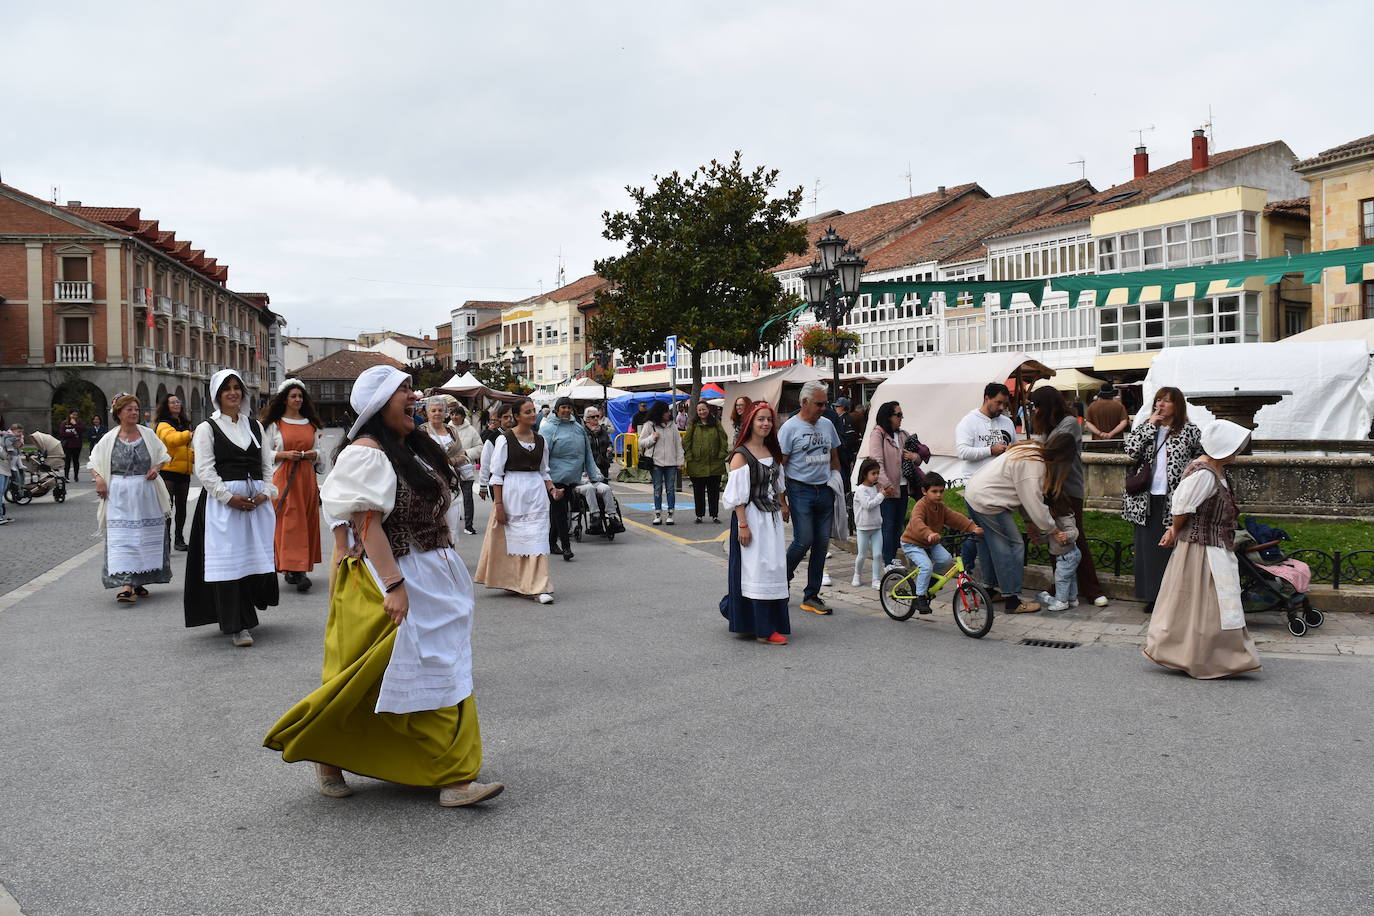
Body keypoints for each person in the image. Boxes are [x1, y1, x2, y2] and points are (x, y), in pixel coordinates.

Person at [264, 364, 504, 807]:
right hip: (393, 574)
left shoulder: (410, 447)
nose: (414, 398)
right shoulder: (367, 452)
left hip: (433, 573)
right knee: (392, 674)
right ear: (378, 403)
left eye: (413, 389)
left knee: (440, 669)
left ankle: (367, 757)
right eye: (405, 391)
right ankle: (450, 776)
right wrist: (394, 585)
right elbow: (365, 522)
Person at [1142, 420, 1261, 679]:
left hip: (1214, 546)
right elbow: (1182, 506)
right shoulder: (1204, 474)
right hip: (1201, 549)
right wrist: (1174, 530)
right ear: (1223, 447)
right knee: (1204, 605)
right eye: (1235, 446)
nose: (1239, 451)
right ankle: (1201, 656)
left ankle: (1216, 655)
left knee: (1212, 606)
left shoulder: (1216, 471)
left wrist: (1175, 530)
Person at [183, 370, 280, 648]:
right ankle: (237, 624)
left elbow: (266, 467)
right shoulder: (206, 428)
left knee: (250, 561)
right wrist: (228, 498)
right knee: (229, 564)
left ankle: (245, 612)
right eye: (227, 389)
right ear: (217, 395)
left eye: (237, 388)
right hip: (223, 507)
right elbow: (204, 470)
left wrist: (265, 493)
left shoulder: (254, 426)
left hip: (255, 504)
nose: (233, 393)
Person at [964, 436, 1078, 615]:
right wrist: (1053, 530)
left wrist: (1029, 523)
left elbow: (1022, 494)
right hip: (989, 500)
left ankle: (989, 590)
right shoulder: (1035, 464)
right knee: (1012, 546)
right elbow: (1034, 502)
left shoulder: (1031, 449)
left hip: (975, 493)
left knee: (988, 544)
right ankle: (1012, 600)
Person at [1123, 386, 1203, 614]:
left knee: (1169, 549)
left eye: (1167, 401)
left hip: (1175, 499)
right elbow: (1130, 451)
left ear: (1177, 405)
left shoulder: (1189, 430)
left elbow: (1200, 456)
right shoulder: (1146, 427)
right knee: (1148, 549)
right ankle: (1152, 595)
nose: (1161, 404)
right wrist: (1150, 426)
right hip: (1145, 499)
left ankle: (1173, 595)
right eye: (1158, 400)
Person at [719, 401, 791, 645]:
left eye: (768, 420)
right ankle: (763, 629)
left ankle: (748, 618)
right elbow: (737, 496)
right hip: (751, 517)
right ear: (750, 422)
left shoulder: (772, 451)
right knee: (756, 569)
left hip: (770, 520)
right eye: (760, 419)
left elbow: (778, 485)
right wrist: (743, 525)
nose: (765, 424)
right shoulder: (741, 455)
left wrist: (782, 503)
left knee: (773, 567)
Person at [88, 394, 173, 603]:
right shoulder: (109, 439)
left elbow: (163, 455)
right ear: (119, 414)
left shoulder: (147, 435)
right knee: (123, 538)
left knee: (143, 537)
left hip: (145, 493)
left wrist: (156, 468)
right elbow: (94, 462)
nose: (134, 412)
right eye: (129, 409)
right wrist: (99, 479)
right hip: (119, 494)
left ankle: (139, 580)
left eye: (136, 409)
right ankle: (127, 584)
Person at [1029, 386, 1107, 608]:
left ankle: (1093, 590)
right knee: (1056, 540)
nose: (1035, 411)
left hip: (1069, 490)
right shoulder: (1050, 425)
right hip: (1051, 490)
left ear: (1048, 405)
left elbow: (1051, 449)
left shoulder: (1069, 423)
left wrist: (1031, 448)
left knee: (1074, 537)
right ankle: (1061, 589)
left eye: (1037, 406)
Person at [475, 398, 559, 604]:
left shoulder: (541, 440)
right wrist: (499, 504)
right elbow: (497, 475)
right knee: (516, 540)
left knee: (538, 538)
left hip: (537, 494)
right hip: (514, 492)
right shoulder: (505, 440)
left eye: (533, 411)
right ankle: (517, 582)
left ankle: (539, 586)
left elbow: (544, 471)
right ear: (517, 416)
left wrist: (553, 490)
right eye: (528, 411)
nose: (532, 414)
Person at [779, 380, 841, 615]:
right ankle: (781, 581)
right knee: (803, 540)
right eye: (819, 404)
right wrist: (782, 501)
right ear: (804, 402)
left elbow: (834, 456)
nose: (823, 408)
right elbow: (780, 466)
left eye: (825, 403)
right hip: (800, 490)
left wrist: (836, 479)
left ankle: (811, 595)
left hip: (824, 490)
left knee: (821, 544)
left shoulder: (827, 425)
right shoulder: (789, 428)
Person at [261, 379, 324, 592]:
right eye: (293, 396)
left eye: (300, 396)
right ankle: (297, 571)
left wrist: (315, 455)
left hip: (306, 478)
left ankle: (294, 567)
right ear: (284, 399)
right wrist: (283, 454)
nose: (298, 399)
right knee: (290, 522)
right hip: (283, 478)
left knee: (305, 521)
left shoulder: (311, 424)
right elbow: (262, 453)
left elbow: (320, 452)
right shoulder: (274, 425)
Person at [954, 382, 1018, 576]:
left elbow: (1013, 446)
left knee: (991, 534)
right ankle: (966, 568)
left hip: (1001, 487)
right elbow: (962, 451)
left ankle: (990, 576)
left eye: (1004, 404)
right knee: (979, 531)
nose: (1001, 408)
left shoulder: (1006, 422)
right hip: (975, 487)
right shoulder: (969, 422)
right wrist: (989, 450)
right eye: (998, 403)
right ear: (986, 398)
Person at [900, 472, 982, 614]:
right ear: (924, 491)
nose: (938, 495)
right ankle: (919, 598)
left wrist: (972, 527)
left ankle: (930, 582)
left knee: (945, 559)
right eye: (934, 491)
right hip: (913, 542)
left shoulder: (940, 507)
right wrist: (929, 533)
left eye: (941, 491)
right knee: (925, 565)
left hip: (930, 542)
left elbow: (955, 518)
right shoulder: (921, 506)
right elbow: (917, 522)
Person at [540, 396, 604, 560]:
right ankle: (566, 547)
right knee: (561, 512)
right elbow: (542, 456)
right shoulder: (548, 429)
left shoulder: (578, 428)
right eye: (563, 407)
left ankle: (551, 542)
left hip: (572, 477)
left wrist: (593, 475)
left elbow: (587, 453)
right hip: (554, 478)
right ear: (557, 409)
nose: (566, 410)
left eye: (569, 407)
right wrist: (542, 477)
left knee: (558, 512)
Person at [420, 398, 477, 537]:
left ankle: (450, 552)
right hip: (429, 481)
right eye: (433, 410)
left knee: (451, 523)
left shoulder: (451, 431)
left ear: (445, 413)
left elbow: (460, 453)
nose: (437, 413)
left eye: (440, 410)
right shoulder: (421, 431)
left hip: (451, 481)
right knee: (433, 523)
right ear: (427, 413)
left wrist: (451, 461)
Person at [865, 401, 912, 567]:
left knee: (898, 524)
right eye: (898, 415)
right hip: (887, 489)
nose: (901, 418)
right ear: (888, 417)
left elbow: (919, 456)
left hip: (903, 486)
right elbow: (876, 462)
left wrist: (914, 457)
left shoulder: (903, 435)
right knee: (888, 524)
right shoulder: (878, 434)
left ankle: (892, 558)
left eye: (901, 415)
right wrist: (886, 485)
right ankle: (888, 561)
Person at [155, 393, 195, 552]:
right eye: (172, 402)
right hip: (167, 471)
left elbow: (184, 448)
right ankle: (166, 540)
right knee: (167, 508)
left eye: (178, 401)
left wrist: (192, 456)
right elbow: (172, 440)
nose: (177, 404)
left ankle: (179, 538)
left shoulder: (183, 423)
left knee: (182, 506)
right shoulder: (163, 424)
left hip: (183, 471)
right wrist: (191, 434)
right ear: (166, 406)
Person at [1035, 489, 1082, 612]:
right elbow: (1052, 537)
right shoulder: (1055, 520)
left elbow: (1075, 532)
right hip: (1065, 555)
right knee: (1070, 577)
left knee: (1061, 577)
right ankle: (1072, 599)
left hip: (1068, 555)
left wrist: (1067, 535)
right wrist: (1041, 540)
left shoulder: (1064, 519)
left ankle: (1061, 601)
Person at [683, 400, 729, 524]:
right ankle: (699, 515)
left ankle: (714, 514)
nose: (702, 412)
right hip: (696, 464)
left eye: (704, 409)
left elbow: (723, 438)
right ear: (697, 412)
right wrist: (689, 455)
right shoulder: (693, 424)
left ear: (708, 409)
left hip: (715, 464)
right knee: (698, 492)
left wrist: (722, 453)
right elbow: (686, 441)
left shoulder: (716, 423)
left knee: (713, 491)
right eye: (699, 410)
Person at [639, 401, 684, 526]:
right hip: (655, 462)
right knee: (657, 489)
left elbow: (678, 444)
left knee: (670, 489)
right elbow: (641, 442)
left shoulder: (672, 425)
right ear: (659, 412)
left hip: (671, 463)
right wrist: (652, 438)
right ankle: (657, 513)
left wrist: (680, 461)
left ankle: (670, 513)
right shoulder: (649, 425)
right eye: (666, 411)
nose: (668, 413)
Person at [851, 458, 885, 589]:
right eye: (874, 473)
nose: (876, 476)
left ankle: (876, 579)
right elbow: (868, 505)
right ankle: (857, 574)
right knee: (862, 555)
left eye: (878, 473)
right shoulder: (860, 490)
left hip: (876, 527)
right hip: (863, 528)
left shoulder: (876, 488)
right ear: (865, 474)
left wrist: (880, 494)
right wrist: (881, 496)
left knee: (877, 554)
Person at [477, 403, 516, 501]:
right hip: (497, 482)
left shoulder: (520, 435)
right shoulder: (492, 439)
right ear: (500, 419)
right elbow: (485, 462)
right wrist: (483, 485)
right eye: (505, 417)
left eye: (511, 417)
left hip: (516, 482)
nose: (509, 420)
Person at [583, 405, 615, 480]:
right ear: (587, 419)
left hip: (603, 464)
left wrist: (610, 447)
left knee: (604, 487)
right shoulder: (583, 431)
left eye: (597, 416)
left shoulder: (602, 430)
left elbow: (609, 442)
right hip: (590, 465)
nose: (596, 418)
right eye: (593, 417)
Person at [59, 410, 84, 481]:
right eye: (73, 415)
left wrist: (75, 425)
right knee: (67, 461)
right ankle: (66, 476)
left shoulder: (79, 423)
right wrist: (73, 434)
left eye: (76, 415)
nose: (74, 416)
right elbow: (62, 433)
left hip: (77, 445)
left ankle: (76, 476)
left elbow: (82, 430)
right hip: (67, 445)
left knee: (76, 461)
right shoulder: (64, 423)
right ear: (70, 415)